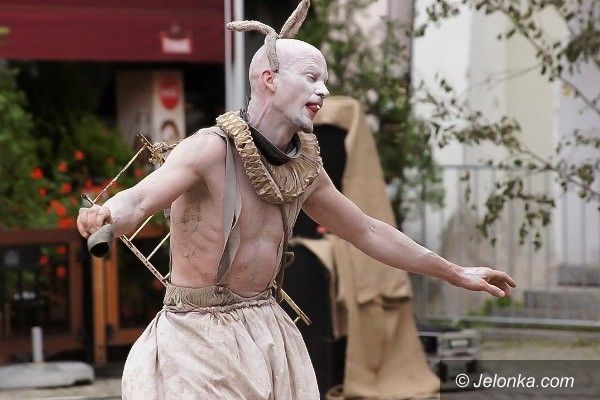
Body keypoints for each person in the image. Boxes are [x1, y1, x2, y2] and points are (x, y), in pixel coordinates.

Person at [77, 1, 516, 398]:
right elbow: (139, 200)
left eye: (324, 80)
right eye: (311, 78)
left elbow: (367, 231)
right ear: (269, 79)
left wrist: (456, 272)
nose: (322, 91)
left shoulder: (304, 169)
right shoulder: (209, 149)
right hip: (197, 340)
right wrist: (105, 213)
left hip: (268, 334)